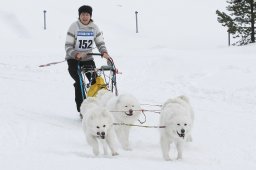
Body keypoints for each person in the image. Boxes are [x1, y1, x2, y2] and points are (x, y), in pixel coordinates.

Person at [65, 5, 111, 118]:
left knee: (95, 81)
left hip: (88, 58)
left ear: (90, 16)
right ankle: (82, 109)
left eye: (87, 14)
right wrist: (76, 54)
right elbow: (68, 46)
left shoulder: (94, 27)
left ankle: (96, 107)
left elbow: (100, 43)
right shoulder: (74, 27)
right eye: (82, 14)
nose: (85, 17)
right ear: (79, 15)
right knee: (79, 81)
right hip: (73, 59)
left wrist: (104, 52)